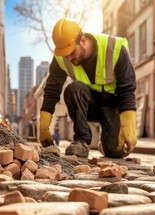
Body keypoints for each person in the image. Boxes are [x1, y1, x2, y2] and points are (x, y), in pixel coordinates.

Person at [39, 18, 137, 158]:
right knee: (74, 89)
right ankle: (81, 141)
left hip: (113, 104)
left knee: (115, 150)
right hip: (88, 102)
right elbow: (52, 89)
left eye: (72, 53)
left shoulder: (114, 48)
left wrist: (128, 122)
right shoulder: (61, 58)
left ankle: (105, 142)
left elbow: (127, 87)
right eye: (65, 55)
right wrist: (44, 123)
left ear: (83, 40)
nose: (68, 58)